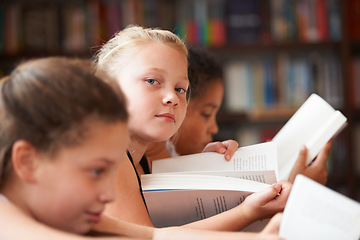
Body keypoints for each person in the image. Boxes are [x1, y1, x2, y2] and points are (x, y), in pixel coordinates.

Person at [0, 56, 284, 240]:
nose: (109, 193)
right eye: (96, 171)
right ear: (27, 162)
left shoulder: (73, 214)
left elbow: (153, 237)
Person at [94, 25, 291, 231]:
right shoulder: (106, 152)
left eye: (180, 89)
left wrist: (204, 167)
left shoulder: (151, 152)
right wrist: (246, 212)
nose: (172, 98)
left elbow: (180, 221)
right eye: (152, 81)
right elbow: (151, 238)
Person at [146, 45, 332, 185]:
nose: (214, 128)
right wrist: (293, 189)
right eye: (206, 114)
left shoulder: (166, 155)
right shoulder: (147, 157)